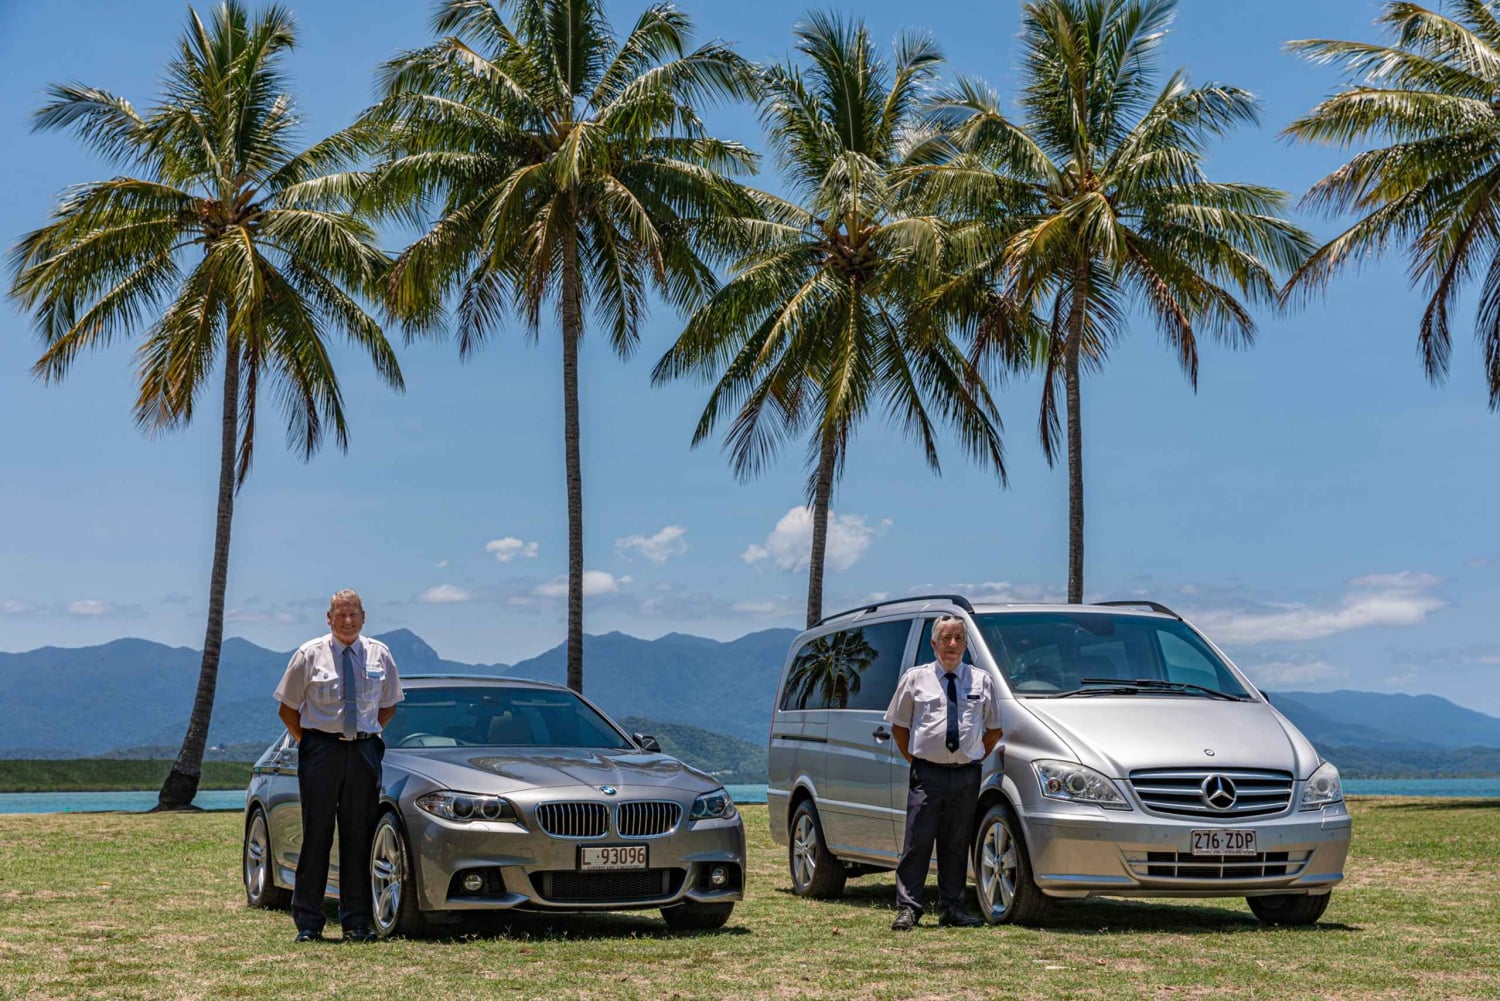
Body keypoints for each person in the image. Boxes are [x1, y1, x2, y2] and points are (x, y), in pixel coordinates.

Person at [273, 589, 403, 943]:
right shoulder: (309, 654)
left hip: (363, 752)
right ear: (328, 619)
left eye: (353, 615)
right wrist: (311, 743)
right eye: (340, 615)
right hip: (321, 750)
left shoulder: (381, 654)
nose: (347, 621)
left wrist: (365, 734)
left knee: (358, 836)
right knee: (316, 835)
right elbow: (287, 708)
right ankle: (309, 923)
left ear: (363, 617)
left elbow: (389, 704)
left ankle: (357, 923)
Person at [884, 614, 1004, 931]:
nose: (953, 644)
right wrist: (920, 759)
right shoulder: (915, 679)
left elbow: (993, 730)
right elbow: (899, 727)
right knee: (917, 841)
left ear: (966, 644)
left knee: (957, 841)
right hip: (927, 774)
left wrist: (972, 756)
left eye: (959, 638)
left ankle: (952, 908)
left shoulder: (981, 681)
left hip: (966, 774)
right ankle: (908, 908)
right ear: (934, 643)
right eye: (947, 638)